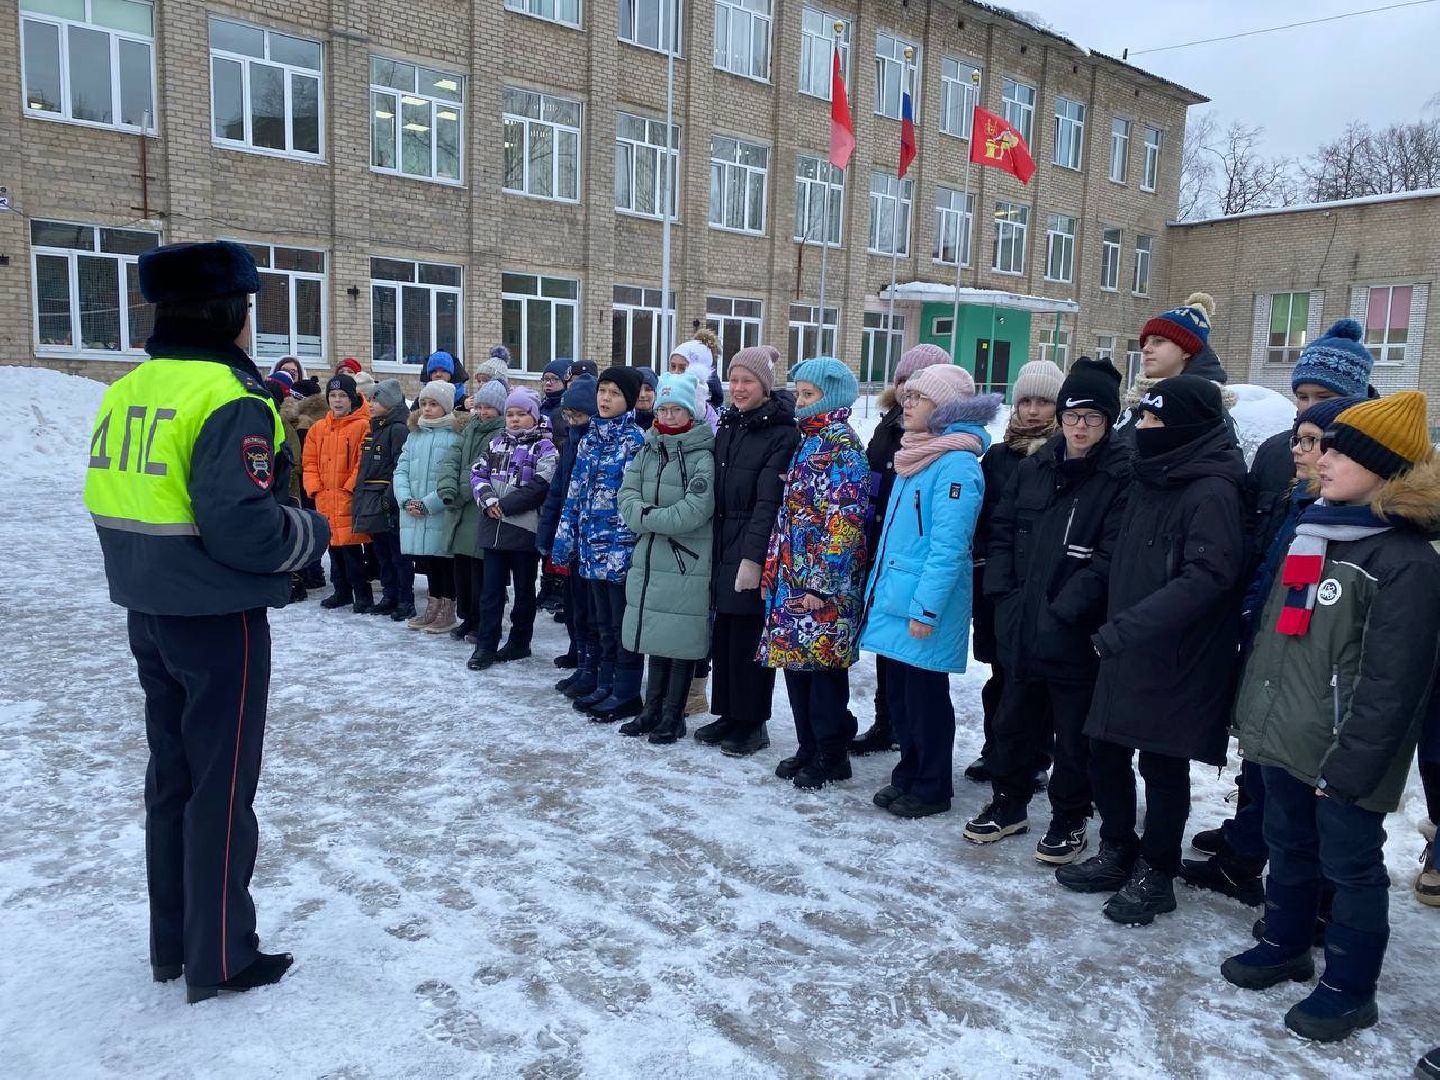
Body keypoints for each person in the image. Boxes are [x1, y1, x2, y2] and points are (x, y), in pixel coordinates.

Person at [83, 240, 329, 1003]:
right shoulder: (230, 397)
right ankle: (221, 955)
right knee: (222, 789)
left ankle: (173, 943)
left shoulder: (129, 388)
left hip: (146, 608)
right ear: (234, 313)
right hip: (216, 613)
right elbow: (246, 529)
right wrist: (310, 534)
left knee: (172, 780)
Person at [1222, 392, 1440, 1042]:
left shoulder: (1405, 562)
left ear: (1384, 469)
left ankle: (1349, 988)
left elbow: (1393, 683)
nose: (1323, 457)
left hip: (1345, 756)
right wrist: (1253, 721)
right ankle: (1286, 943)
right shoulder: (1315, 530)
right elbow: (1275, 640)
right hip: (1286, 737)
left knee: (1352, 867)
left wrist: (1351, 765)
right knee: (1289, 846)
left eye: (1341, 451)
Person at [1057, 374, 1246, 926]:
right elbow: (1120, 555)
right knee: (1105, 752)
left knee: (1162, 768)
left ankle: (1156, 872)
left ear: (1183, 426)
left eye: (1151, 420)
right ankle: (1118, 849)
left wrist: (1129, 628)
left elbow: (1208, 576)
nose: (1138, 428)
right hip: (1123, 644)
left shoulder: (1211, 489)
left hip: (1176, 654)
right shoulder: (1148, 476)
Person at [1180, 394, 1364, 907]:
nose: (1300, 452)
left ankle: (1312, 902)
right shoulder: (1302, 503)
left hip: (1309, 676)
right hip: (1274, 651)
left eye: (1310, 442)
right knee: (1262, 767)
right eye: (1298, 437)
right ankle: (1246, 854)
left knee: (1298, 796)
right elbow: (1276, 575)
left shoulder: (1341, 520)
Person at [966, 358, 1130, 862]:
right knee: (1015, 720)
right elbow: (1002, 528)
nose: (1080, 428)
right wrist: (1004, 595)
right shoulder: (1037, 466)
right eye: (1073, 416)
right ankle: (1008, 802)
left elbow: (1111, 556)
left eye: (1093, 419)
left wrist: (1066, 609)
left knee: (1073, 732)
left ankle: (1069, 818)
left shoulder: (1120, 475)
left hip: (1075, 629)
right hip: (1022, 620)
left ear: (1109, 422)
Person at [859, 365, 1001, 818]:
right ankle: (910, 772)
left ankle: (933, 785)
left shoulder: (956, 464)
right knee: (902, 696)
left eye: (920, 397)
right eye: (909, 395)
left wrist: (927, 608)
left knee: (925, 699)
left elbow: (948, 548)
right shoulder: (917, 453)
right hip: (897, 593)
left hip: (923, 601)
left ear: (945, 408)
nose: (908, 403)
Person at [759, 357, 870, 789]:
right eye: (799, 393)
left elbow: (844, 522)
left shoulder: (841, 445)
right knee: (795, 665)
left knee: (823, 671)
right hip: (792, 577)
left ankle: (831, 753)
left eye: (810, 395)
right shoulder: (809, 441)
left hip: (824, 586)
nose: (800, 401)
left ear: (835, 397)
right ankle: (808, 745)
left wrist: (820, 585)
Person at [965, 358, 1063, 783]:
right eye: (1026, 401)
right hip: (998, 583)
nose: (1034, 411)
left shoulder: (1064, 456)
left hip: (1042, 586)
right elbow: (981, 517)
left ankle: (1037, 754)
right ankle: (996, 748)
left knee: (1036, 678)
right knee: (999, 674)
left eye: (1044, 402)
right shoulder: (998, 457)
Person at [700, 346, 801, 757]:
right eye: (734, 380)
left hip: (750, 541)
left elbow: (768, 503)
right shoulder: (730, 425)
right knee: (724, 631)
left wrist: (753, 559)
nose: (738, 388)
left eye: (748, 381)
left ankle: (752, 722)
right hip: (722, 536)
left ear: (765, 386)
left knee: (748, 636)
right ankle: (727, 712)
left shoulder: (781, 431)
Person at [851, 343, 951, 757]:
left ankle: (908, 735)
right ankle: (886, 720)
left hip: (910, 547)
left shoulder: (938, 439)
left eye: (919, 383)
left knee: (911, 650)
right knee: (887, 641)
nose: (908, 389)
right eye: (904, 380)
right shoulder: (888, 425)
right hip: (880, 539)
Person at [617, 372, 717, 742]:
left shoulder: (701, 455)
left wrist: (649, 519)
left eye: (678, 409)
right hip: (651, 555)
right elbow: (626, 495)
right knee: (656, 636)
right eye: (665, 409)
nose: (670, 416)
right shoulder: (648, 449)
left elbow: (696, 508)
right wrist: (643, 517)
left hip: (684, 559)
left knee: (680, 640)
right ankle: (651, 709)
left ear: (691, 412)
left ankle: (673, 715)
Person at [552, 366, 647, 722]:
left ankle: (625, 692)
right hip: (590, 548)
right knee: (602, 621)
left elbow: (637, 498)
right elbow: (574, 492)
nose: (605, 399)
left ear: (630, 400)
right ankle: (605, 683)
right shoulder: (590, 436)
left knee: (623, 624)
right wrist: (566, 537)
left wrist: (627, 544)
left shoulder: (636, 440)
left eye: (614, 394)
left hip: (620, 550)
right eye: (602, 391)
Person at [467, 388, 558, 670]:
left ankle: (520, 642)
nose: (515, 420)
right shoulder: (496, 443)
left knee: (524, 589)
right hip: (492, 527)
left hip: (523, 529)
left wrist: (505, 505)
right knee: (491, 591)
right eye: (510, 414)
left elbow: (541, 484)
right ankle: (486, 645)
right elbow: (477, 473)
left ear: (534, 415)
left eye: (521, 414)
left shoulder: (545, 448)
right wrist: (489, 501)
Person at [1113, 293, 1236, 446]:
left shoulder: (1204, 408)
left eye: (1159, 341)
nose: (1146, 349)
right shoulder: (1136, 401)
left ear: (1187, 350)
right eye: (1145, 342)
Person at [439, 379, 508, 642]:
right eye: (479, 406)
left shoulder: (500, 434)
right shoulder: (468, 429)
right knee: (463, 573)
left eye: (489, 407)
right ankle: (467, 617)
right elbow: (452, 459)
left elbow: (481, 469)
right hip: (460, 511)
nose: (483, 412)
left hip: (480, 510)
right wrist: (447, 488)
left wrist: (463, 492)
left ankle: (484, 622)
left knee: (483, 575)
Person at [541, 375, 598, 682]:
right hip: (569, 531)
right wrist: (547, 532)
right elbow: (557, 491)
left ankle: (590, 660)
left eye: (579, 415)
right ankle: (577, 650)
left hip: (592, 536)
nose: (573, 421)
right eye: (568, 416)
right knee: (574, 601)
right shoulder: (570, 443)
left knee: (590, 606)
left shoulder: (594, 441)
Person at [395, 381, 462, 633]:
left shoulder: (455, 436)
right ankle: (432, 605)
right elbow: (401, 469)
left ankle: (447, 608)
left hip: (440, 510)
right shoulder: (415, 435)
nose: (427, 409)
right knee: (429, 561)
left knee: (444, 560)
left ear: (445, 407)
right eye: (423, 403)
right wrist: (406, 499)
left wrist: (429, 504)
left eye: (434, 404)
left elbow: (452, 476)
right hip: (415, 508)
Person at [304, 374, 373, 612]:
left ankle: (362, 594)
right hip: (325, 496)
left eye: (342, 395)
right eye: (333, 396)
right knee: (333, 548)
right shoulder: (318, 428)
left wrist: (349, 487)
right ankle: (341, 591)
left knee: (352, 550)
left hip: (347, 496)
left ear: (352, 398)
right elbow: (309, 461)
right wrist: (314, 487)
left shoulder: (363, 426)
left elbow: (362, 462)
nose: (337, 401)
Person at [351, 378, 415, 621]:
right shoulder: (376, 426)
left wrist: (390, 497)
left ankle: (404, 600)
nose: (371, 404)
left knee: (398, 553)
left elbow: (399, 465)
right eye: (371, 399)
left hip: (389, 500)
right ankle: (389, 595)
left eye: (377, 400)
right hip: (373, 499)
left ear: (389, 403)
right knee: (382, 552)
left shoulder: (397, 428)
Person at [669, 339, 722, 431]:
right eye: (673, 366)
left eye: (682, 368)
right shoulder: (665, 396)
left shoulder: (702, 407)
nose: (676, 372)